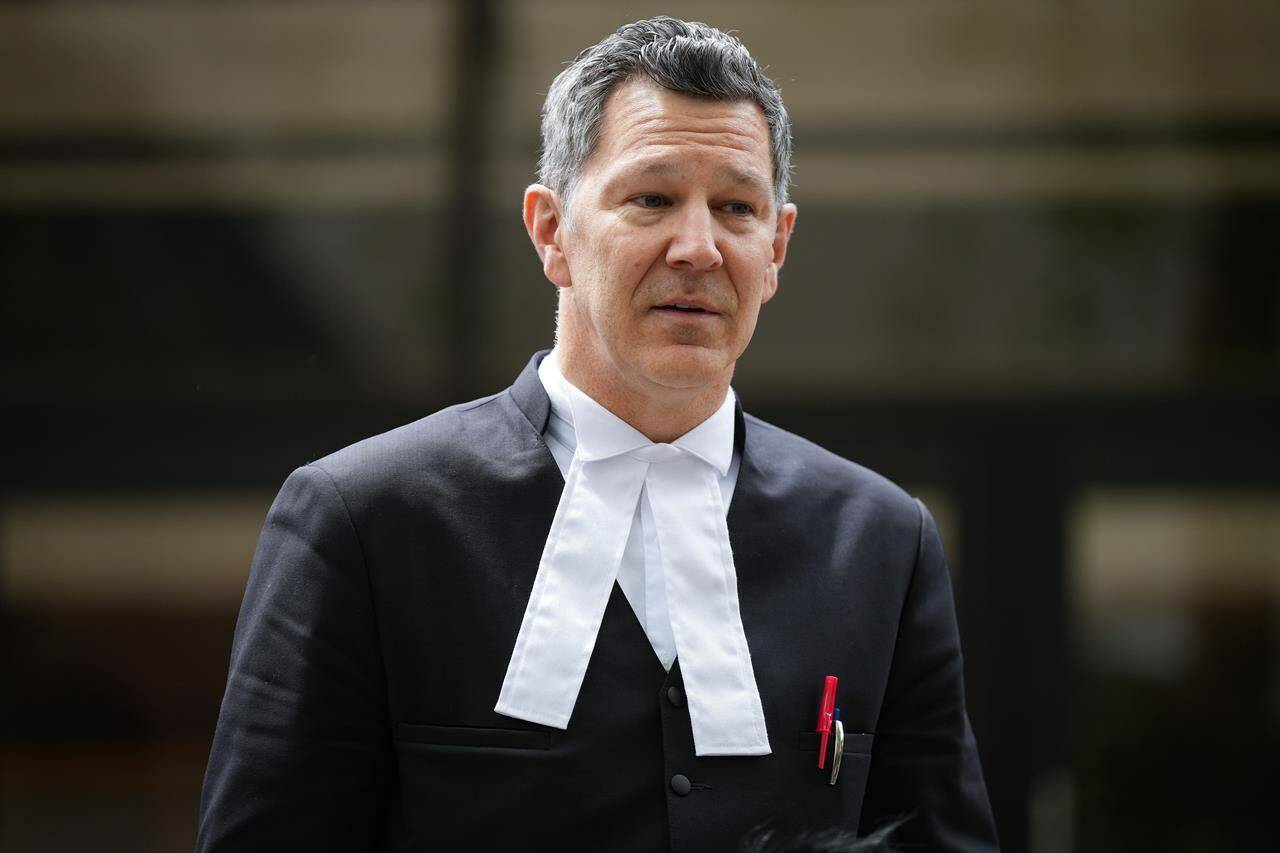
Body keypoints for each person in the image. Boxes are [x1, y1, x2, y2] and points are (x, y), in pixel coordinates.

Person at [196, 16, 998, 853]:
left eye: (736, 208)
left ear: (777, 246)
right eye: (651, 198)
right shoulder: (366, 519)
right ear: (551, 231)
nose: (698, 247)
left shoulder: (877, 541)